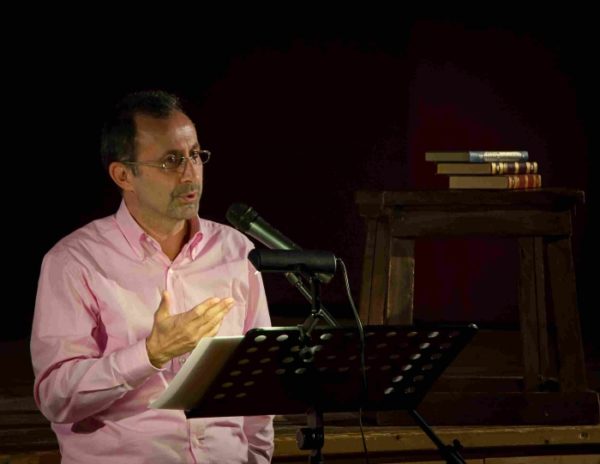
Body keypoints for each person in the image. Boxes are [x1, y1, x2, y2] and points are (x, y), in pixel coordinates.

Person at [30, 90, 274, 463]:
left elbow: (258, 377)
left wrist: (256, 457)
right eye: (171, 160)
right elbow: (56, 398)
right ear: (123, 174)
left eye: (196, 155)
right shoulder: (75, 262)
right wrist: (151, 353)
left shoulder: (235, 250)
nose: (190, 173)